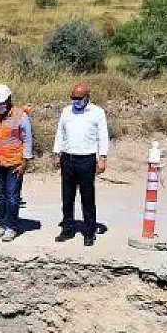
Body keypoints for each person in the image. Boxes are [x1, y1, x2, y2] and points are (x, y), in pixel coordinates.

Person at [52, 82, 110, 246]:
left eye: (79, 98)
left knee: (87, 197)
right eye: (73, 98)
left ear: (87, 97)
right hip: (68, 159)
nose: (76, 101)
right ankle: (68, 228)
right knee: (67, 196)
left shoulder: (97, 112)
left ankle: (89, 230)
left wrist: (103, 157)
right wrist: (57, 153)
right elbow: (60, 133)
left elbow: (103, 136)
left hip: (87, 159)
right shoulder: (66, 111)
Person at [0, 84, 34, 242]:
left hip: (14, 162)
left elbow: (27, 139)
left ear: (9, 100)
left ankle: (12, 226)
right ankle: (3, 223)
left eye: (2, 104)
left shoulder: (20, 115)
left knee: (12, 196)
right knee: (0, 195)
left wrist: (25, 161)